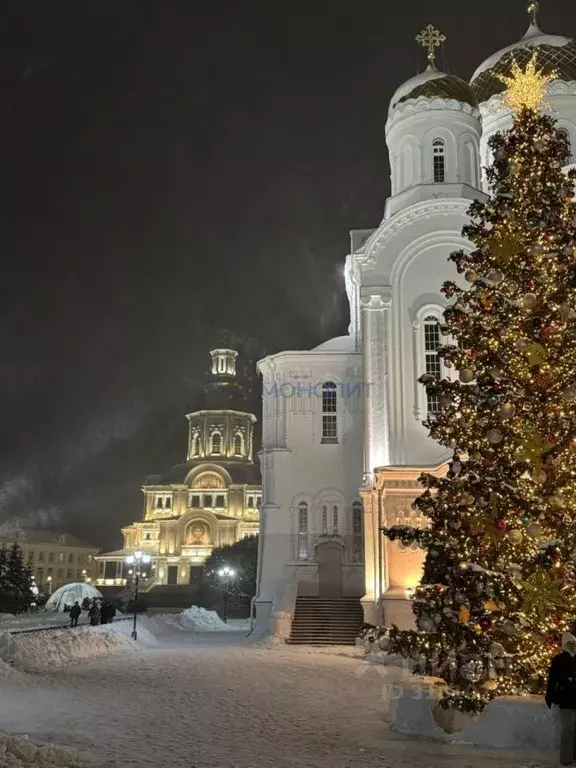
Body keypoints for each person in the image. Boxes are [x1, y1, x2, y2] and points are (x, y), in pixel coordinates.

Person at [546, 632, 576, 765]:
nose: (572, 646)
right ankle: (566, 758)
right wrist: (551, 696)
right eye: (569, 644)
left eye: (574, 644)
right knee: (567, 729)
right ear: (564, 645)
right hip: (567, 699)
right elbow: (553, 680)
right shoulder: (558, 660)